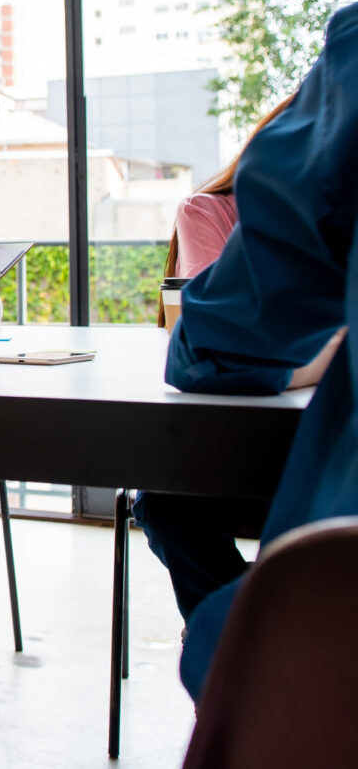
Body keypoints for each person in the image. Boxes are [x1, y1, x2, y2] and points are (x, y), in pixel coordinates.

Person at [166, 1, 355, 701]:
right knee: (169, 498)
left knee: (172, 496)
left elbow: (216, 346)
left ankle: (233, 632)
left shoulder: (352, 65)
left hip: (326, 647)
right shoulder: (204, 210)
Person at [136, 95, 306, 625]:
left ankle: (249, 647)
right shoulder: (211, 212)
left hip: (326, 450)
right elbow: (217, 350)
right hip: (238, 446)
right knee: (165, 502)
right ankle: (242, 644)